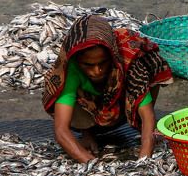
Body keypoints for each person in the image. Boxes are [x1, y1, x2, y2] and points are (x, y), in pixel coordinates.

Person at [42, 14, 172, 163]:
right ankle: (87, 133)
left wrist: (144, 157)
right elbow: (61, 130)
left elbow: (148, 115)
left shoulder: (129, 60)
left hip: (122, 104)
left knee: (147, 68)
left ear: (112, 54)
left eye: (102, 63)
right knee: (60, 91)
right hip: (90, 108)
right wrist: (92, 164)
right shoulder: (71, 68)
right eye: (88, 65)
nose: (97, 71)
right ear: (78, 61)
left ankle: (140, 126)